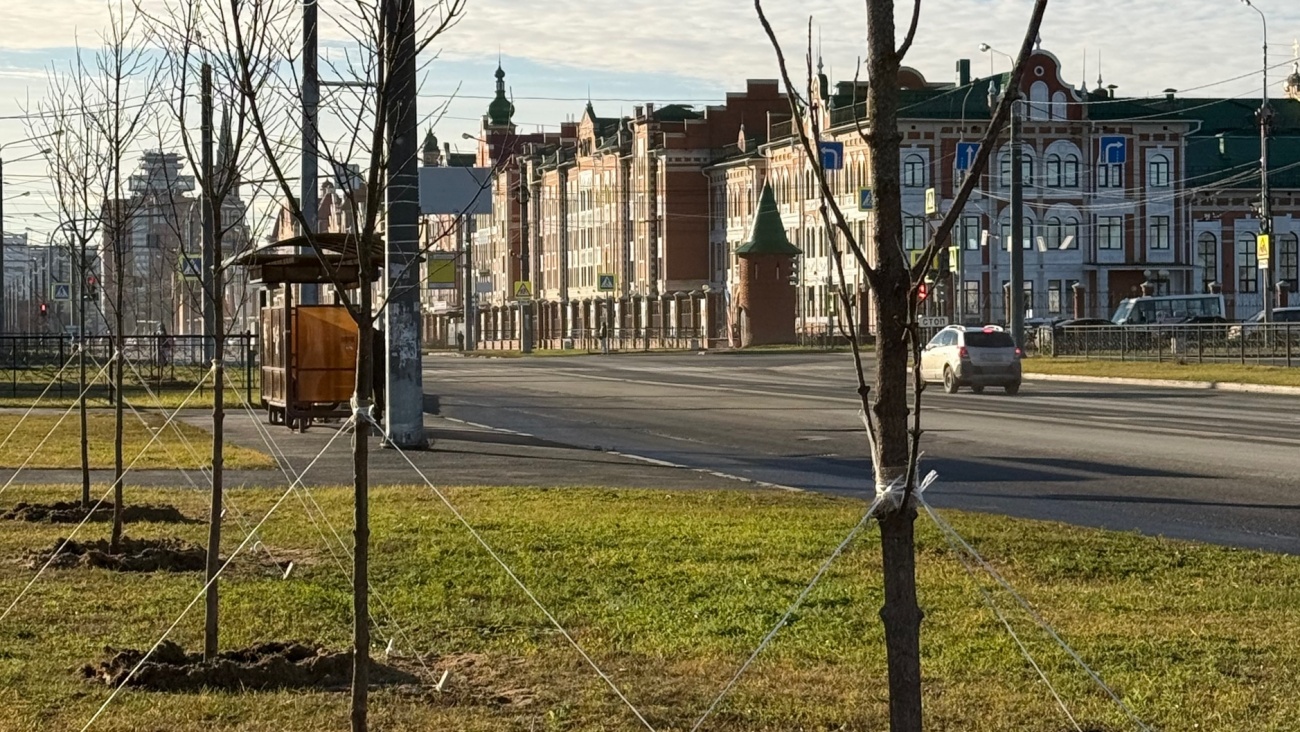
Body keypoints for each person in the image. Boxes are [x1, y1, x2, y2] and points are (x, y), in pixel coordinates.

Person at [371, 326, 385, 425]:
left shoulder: (363, 336)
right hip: (378, 370)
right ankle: (377, 415)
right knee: (378, 394)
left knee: (366, 394)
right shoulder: (380, 337)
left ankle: (373, 415)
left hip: (372, 369)